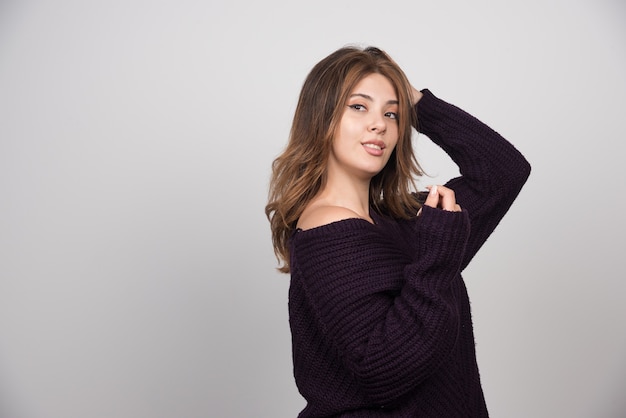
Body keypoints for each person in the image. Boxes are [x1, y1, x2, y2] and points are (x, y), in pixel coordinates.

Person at [265, 45, 531, 417]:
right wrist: (439, 254)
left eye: (392, 113)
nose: (380, 124)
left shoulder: (403, 220)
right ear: (321, 117)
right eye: (358, 106)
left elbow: (502, 172)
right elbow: (384, 369)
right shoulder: (327, 231)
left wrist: (417, 101)